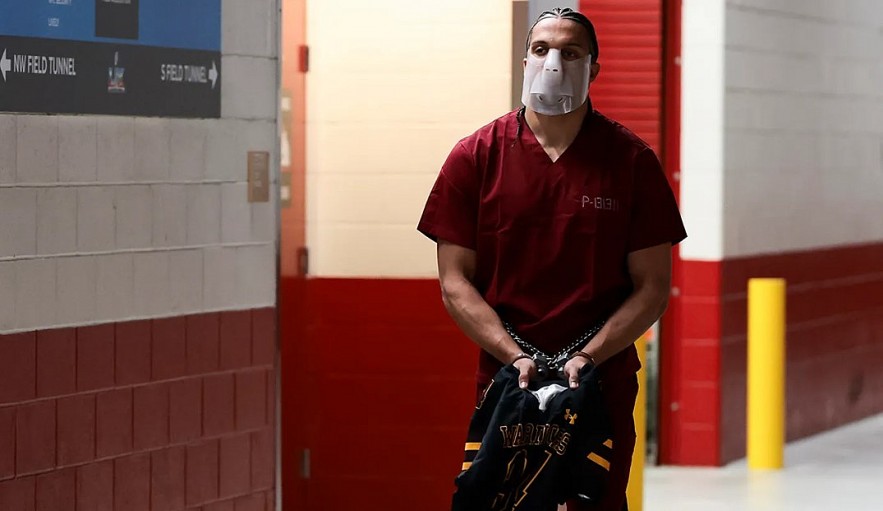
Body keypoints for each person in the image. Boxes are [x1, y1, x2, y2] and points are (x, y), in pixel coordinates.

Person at [417, 7, 686, 511]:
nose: (553, 62)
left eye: (571, 51)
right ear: (524, 61)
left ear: (594, 68)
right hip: (505, 385)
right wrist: (514, 354)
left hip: (598, 383)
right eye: (541, 50)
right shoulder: (476, 157)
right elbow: (455, 281)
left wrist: (587, 356)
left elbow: (652, 286)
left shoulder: (630, 162)